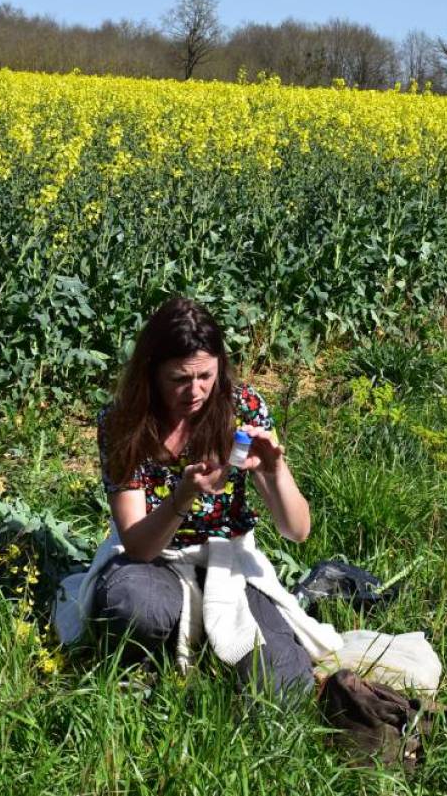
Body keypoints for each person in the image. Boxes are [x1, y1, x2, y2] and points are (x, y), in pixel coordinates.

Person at [53, 297, 342, 700]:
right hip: (156, 562)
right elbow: (137, 546)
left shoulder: (244, 408)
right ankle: (154, 658)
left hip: (228, 562)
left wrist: (274, 472)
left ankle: (207, 641)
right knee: (127, 603)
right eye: (179, 379)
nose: (195, 391)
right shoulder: (123, 423)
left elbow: (297, 530)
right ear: (151, 373)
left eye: (205, 376)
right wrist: (181, 497)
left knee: (284, 691)